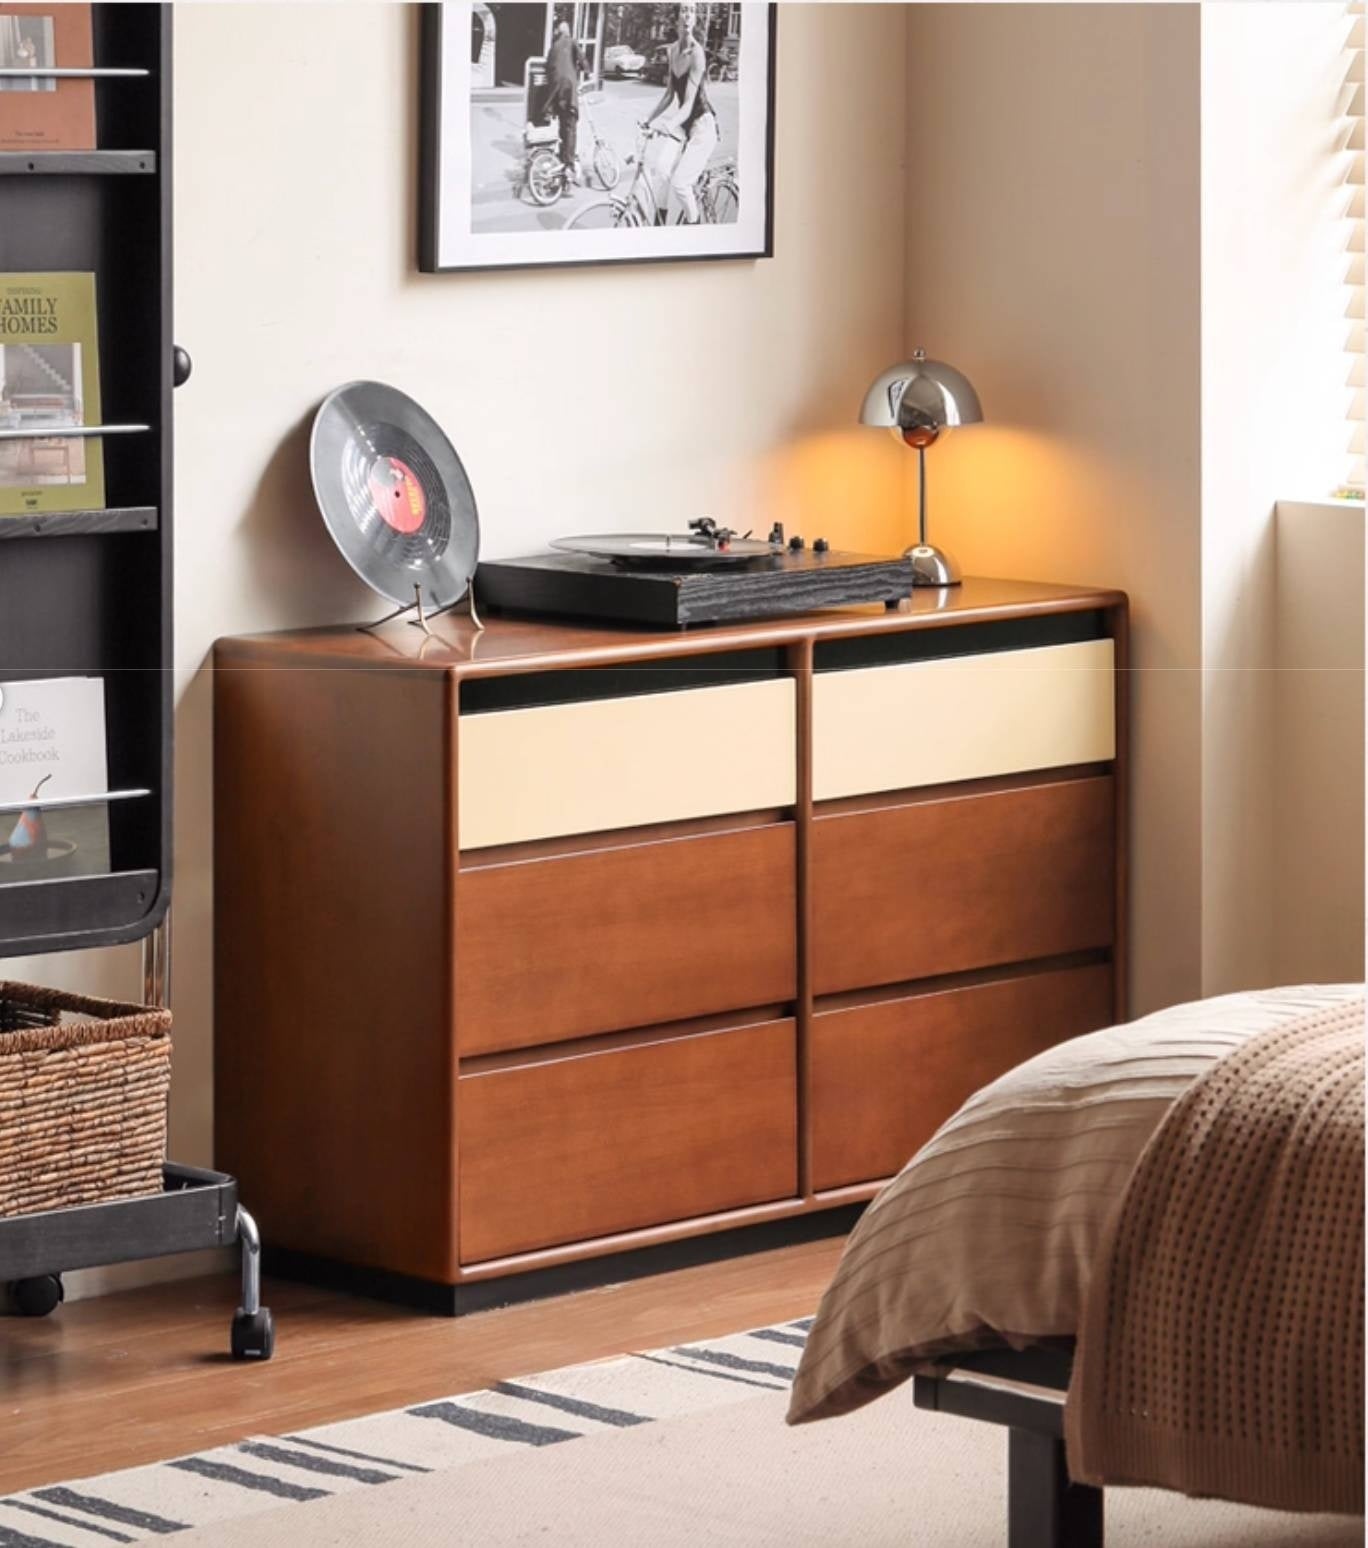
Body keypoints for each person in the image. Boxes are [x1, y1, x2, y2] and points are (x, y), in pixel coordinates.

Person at [644, 2, 718, 224]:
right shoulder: (672, 50)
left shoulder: (697, 55)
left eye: (692, 12)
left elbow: (687, 104)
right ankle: (660, 226)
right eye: (684, 10)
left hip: (702, 125)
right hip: (683, 124)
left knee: (680, 184)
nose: (688, 16)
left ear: (694, 20)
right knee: (661, 170)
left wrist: (669, 124)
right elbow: (669, 94)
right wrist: (648, 119)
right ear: (677, 18)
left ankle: (693, 227)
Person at [543, 20, 585, 183]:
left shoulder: (553, 47)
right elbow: (582, 59)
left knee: (563, 125)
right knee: (571, 127)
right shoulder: (572, 42)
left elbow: (548, 67)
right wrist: (585, 73)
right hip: (569, 92)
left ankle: (562, 156)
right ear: (567, 32)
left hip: (556, 94)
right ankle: (569, 164)